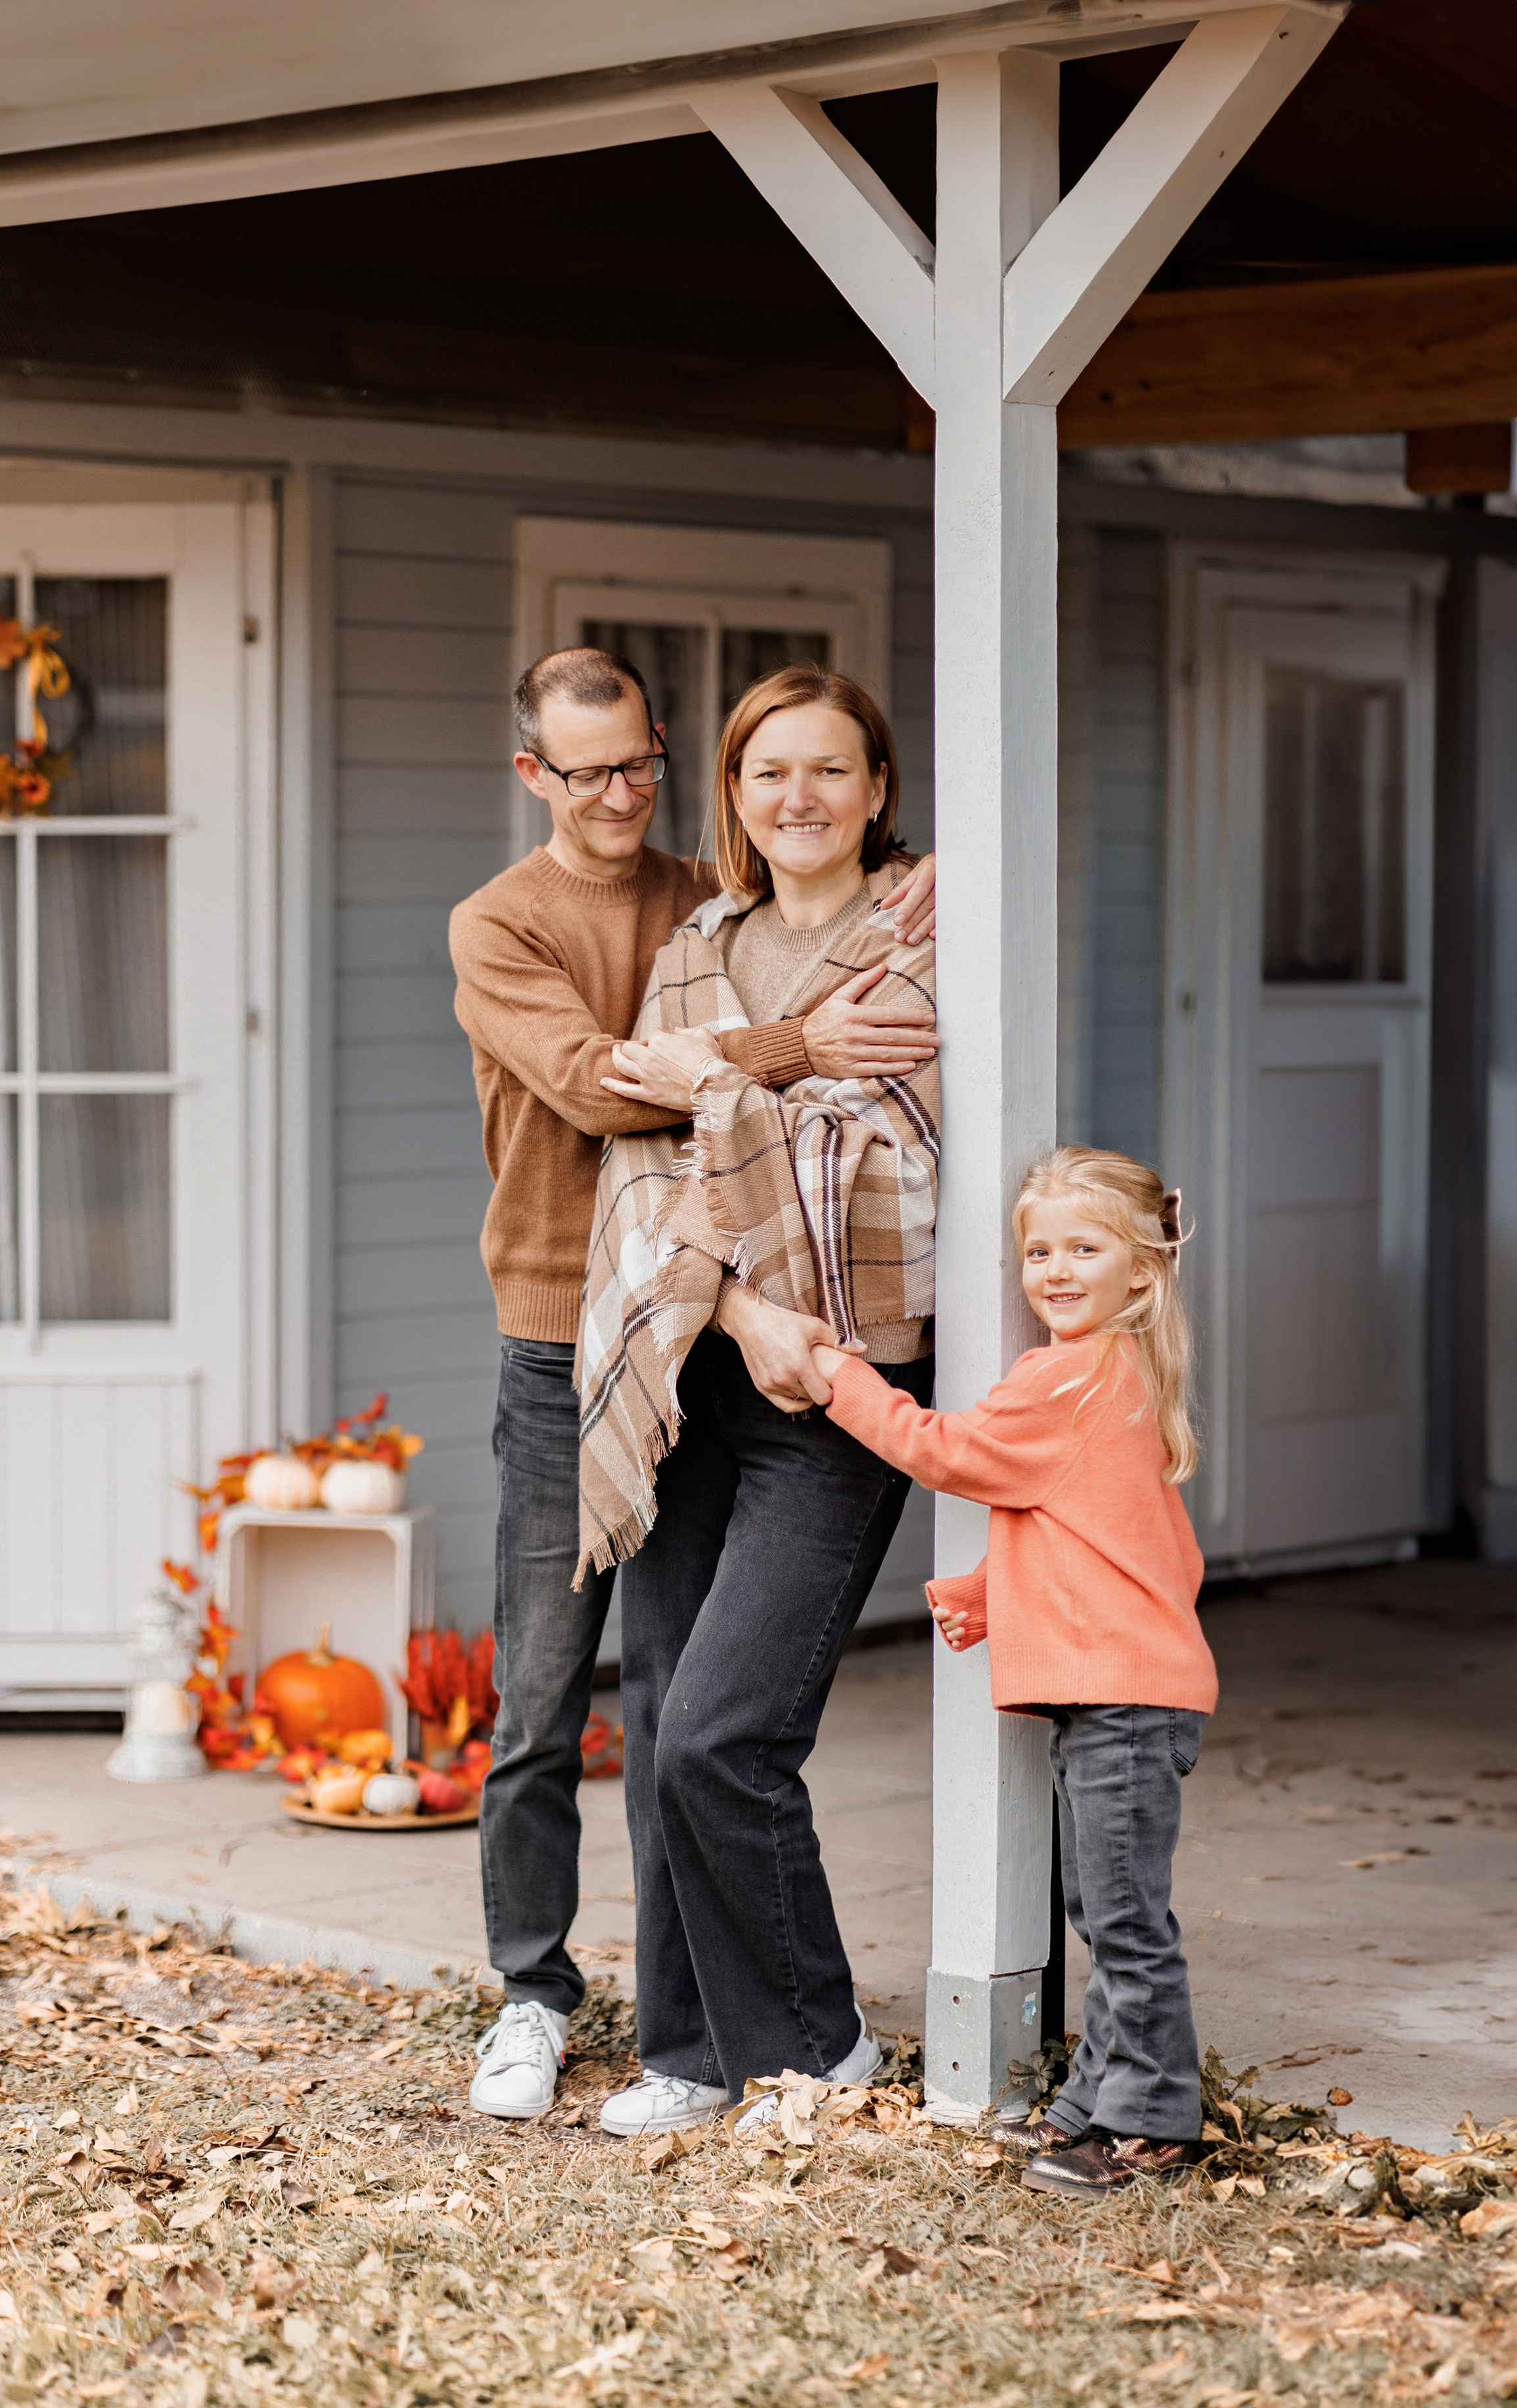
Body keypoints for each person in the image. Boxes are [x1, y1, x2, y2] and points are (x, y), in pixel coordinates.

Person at [449, 647, 937, 2120]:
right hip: (587, 1332)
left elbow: (834, 1117)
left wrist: (721, 1076)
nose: (616, 793)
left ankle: (737, 2042)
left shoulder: (708, 903)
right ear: (532, 774)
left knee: (695, 1722)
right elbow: (611, 1096)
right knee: (550, 1698)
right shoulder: (515, 923)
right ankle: (543, 1996)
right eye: (582, 771)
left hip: (786, 1355)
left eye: (636, 765)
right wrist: (788, 1055)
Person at [811, 1145, 1217, 2195]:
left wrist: (839, 1378)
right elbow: (1125, 1542)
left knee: (1125, 1923)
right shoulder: (1120, 1370)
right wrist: (996, 1595)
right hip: (1128, 1690)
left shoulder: (1064, 1374)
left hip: (1122, 1695)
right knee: (1106, 1911)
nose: (1055, 1270)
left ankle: (1152, 2124)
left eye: (1086, 1248)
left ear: (1142, 1269)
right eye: (1039, 1251)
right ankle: (1093, 2102)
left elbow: (945, 1452)